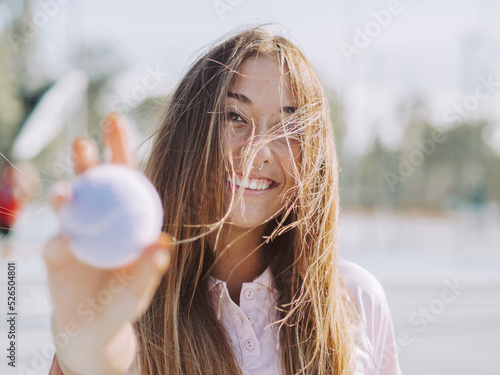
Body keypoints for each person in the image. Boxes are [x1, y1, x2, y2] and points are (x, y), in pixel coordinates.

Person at [46, 26, 402, 375]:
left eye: (289, 128)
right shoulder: (129, 296)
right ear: (188, 134)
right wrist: (92, 339)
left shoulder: (358, 299)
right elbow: (100, 357)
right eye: (234, 116)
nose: (258, 151)